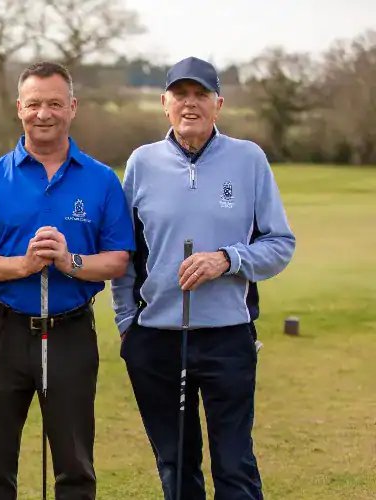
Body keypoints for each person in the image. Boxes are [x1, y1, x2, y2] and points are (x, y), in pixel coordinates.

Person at [111, 56, 296, 500]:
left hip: (227, 336)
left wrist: (227, 260)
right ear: (164, 103)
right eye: (181, 95)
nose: (190, 104)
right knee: (176, 466)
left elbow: (280, 245)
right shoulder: (141, 163)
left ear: (219, 104)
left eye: (201, 95)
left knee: (234, 465)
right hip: (155, 339)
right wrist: (126, 325)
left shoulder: (248, 159)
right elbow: (126, 255)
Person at [0, 61, 136, 500]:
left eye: (55, 103)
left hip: (71, 331)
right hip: (5, 330)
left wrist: (69, 261)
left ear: (72, 108)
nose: (44, 113)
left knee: (75, 464)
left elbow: (117, 259)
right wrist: (23, 266)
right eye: (35, 103)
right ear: (19, 107)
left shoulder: (100, 179)